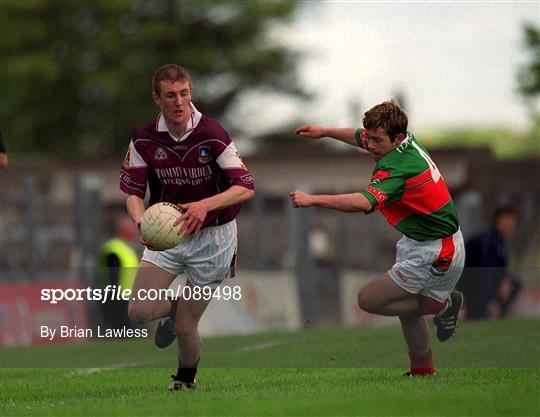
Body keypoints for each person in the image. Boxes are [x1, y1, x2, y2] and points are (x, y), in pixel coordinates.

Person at [290, 100, 465, 376]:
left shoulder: (398, 167)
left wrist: (313, 199)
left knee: (369, 299)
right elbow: (359, 136)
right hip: (423, 241)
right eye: (368, 137)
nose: (370, 145)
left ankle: (443, 305)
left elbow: (363, 202)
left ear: (396, 138)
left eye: (376, 140)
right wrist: (325, 131)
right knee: (405, 309)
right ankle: (422, 370)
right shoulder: (402, 139)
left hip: (436, 249)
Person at [120, 64, 255, 390]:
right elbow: (133, 193)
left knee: (185, 327)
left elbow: (245, 187)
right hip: (167, 233)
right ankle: (177, 308)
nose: (179, 102)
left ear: (190, 93)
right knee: (139, 311)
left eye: (184, 93)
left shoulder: (213, 133)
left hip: (214, 237)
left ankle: (185, 379)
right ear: (157, 98)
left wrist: (204, 205)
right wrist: (141, 220)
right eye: (170, 95)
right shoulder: (144, 138)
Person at [458, 206, 521, 319]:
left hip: (484, 280)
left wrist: (504, 279)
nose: (508, 224)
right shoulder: (485, 239)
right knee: (477, 316)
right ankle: (480, 310)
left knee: (515, 283)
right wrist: (491, 299)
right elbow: (485, 271)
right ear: (497, 220)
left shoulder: (501, 240)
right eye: (505, 220)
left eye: (511, 221)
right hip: (470, 282)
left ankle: (499, 315)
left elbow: (501, 266)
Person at [97, 214, 139, 331]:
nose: (134, 230)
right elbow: (112, 276)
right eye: (130, 226)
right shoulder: (114, 248)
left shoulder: (126, 248)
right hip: (118, 300)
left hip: (127, 298)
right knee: (124, 335)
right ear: (121, 230)